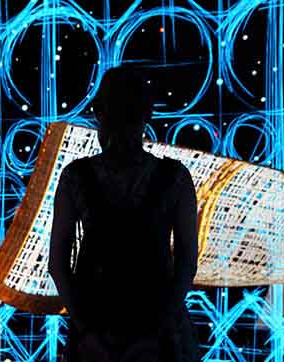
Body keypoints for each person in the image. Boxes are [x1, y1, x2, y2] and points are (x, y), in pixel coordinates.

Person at [48, 64, 200, 362]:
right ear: (147, 114)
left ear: (98, 112)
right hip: (159, 333)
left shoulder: (75, 177)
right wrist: (157, 331)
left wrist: (86, 331)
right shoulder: (175, 178)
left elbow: (58, 264)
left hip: (96, 329)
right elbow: (186, 266)